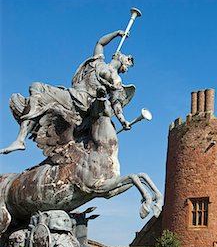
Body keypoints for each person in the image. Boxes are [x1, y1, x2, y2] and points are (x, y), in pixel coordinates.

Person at [0, 30, 134, 155]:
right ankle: (22, 137)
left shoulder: (116, 79)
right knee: (36, 87)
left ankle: (23, 137)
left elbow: (116, 103)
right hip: (71, 94)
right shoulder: (98, 61)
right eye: (126, 56)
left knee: (40, 92)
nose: (124, 55)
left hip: (80, 102)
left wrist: (123, 121)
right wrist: (117, 33)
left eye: (127, 58)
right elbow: (100, 42)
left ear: (124, 66)